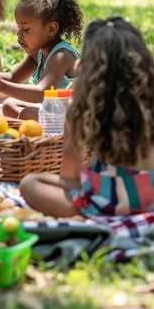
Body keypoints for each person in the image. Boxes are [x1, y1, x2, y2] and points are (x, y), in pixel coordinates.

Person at [19, 17, 154, 218]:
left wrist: (88, 172)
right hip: (151, 198)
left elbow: (68, 177)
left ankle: (87, 220)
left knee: (30, 183)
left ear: (85, 65)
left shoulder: (80, 107)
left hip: (106, 203)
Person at [0, 0, 83, 119]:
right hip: (54, 109)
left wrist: (0, 86)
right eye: (19, 27)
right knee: (8, 105)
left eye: (26, 29)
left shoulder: (61, 56)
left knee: (26, 114)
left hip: (76, 115)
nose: (19, 33)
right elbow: (13, 77)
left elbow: (40, 93)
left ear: (51, 29)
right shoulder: (38, 54)